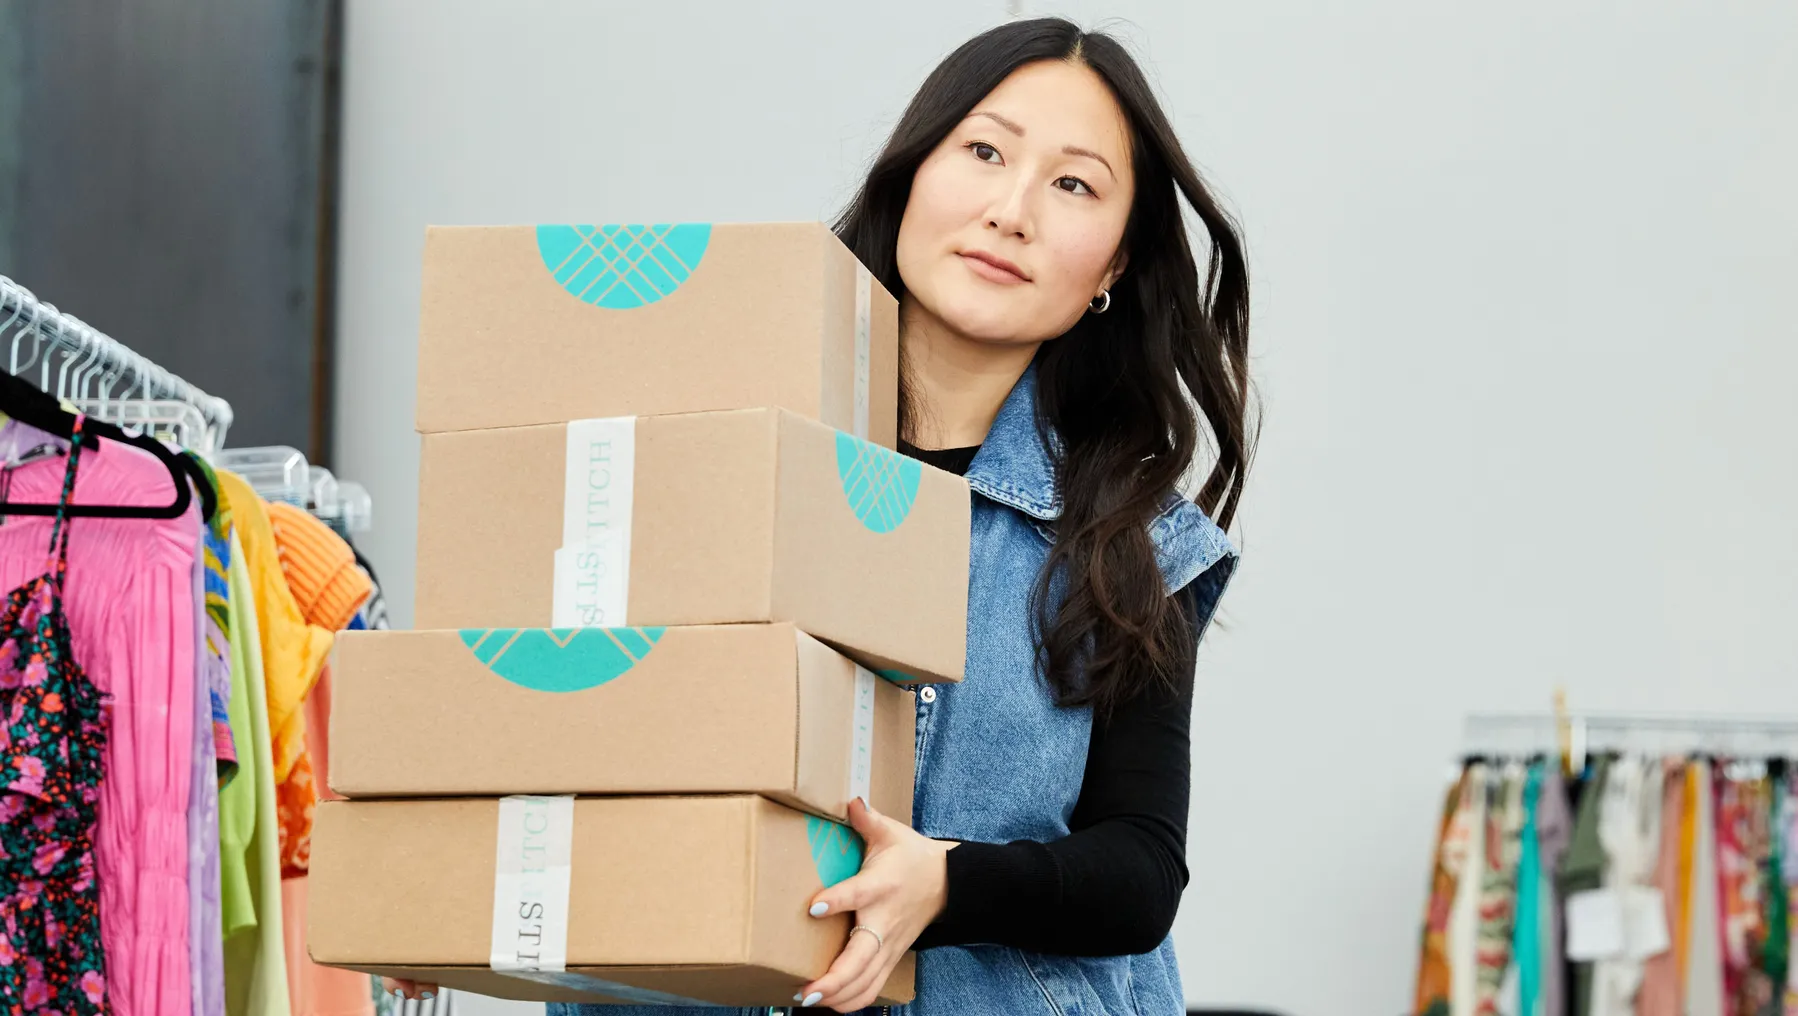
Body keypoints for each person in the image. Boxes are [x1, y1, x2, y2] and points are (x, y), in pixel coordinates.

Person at [387, 14, 1251, 1016]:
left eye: (1073, 184)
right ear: (914, 175)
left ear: (1111, 268)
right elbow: (569, 705)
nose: (1011, 210)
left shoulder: (1133, 543)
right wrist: (455, 870)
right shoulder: (697, 452)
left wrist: (946, 879)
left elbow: (1139, 870)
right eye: (983, 150)